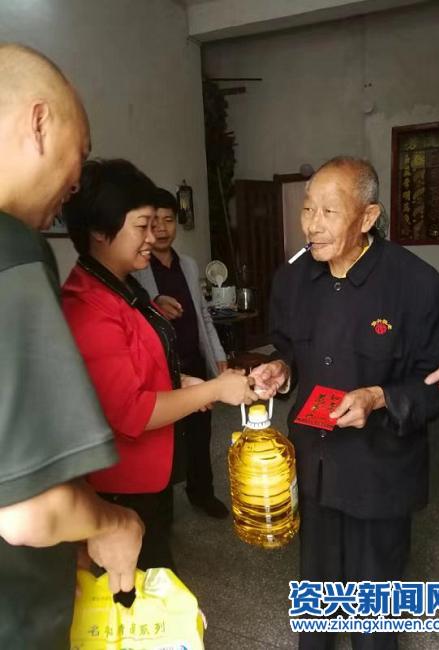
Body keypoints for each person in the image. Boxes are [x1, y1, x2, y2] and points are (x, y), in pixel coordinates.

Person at [251, 156, 439, 650]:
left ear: (368, 217)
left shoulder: (417, 286)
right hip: (316, 460)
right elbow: (289, 348)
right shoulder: (292, 279)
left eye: (329, 212)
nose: (312, 225)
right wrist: (282, 370)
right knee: (318, 593)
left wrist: (381, 396)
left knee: (375, 604)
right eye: (307, 209)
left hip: (380, 469)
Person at [0, 44, 144, 649]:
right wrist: (110, 522)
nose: (78, 180)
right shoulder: (12, 249)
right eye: (79, 153)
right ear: (39, 123)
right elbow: (29, 512)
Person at [62, 158, 257, 571]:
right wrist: (215, 388)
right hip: (122, 486)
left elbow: (134, 363)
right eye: (142, 226)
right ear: (100, 231)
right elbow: (132, 411)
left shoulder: (122, 286)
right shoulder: (90, 308)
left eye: (156, 224)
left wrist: (180, 380)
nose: (152, 237)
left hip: (149, 473)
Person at [135, 188, 229, 518]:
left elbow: (203, 314)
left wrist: (218, 353)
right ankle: (160, 507)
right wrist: (153, 303)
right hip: (162, 369)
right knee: (164, 439)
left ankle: (202, 493)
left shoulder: (187, 264)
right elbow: (134, 317)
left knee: (201, 433)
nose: (162, 228)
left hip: (194, 362)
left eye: (168, 220)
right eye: (154, 222)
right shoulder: (137, 268)